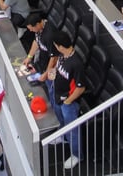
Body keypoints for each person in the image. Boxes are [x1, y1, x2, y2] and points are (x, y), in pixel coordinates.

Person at [51, 30, 85, 170]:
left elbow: (80, 88)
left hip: (68, 102)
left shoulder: (76, 63)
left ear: (60, 46)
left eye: (55, 45)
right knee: (60, 120)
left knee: (72, 130)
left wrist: (68, 101)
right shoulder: (62, 55)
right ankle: (62, 136)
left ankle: (77, 155)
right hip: (57, 95)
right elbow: (58, 69)